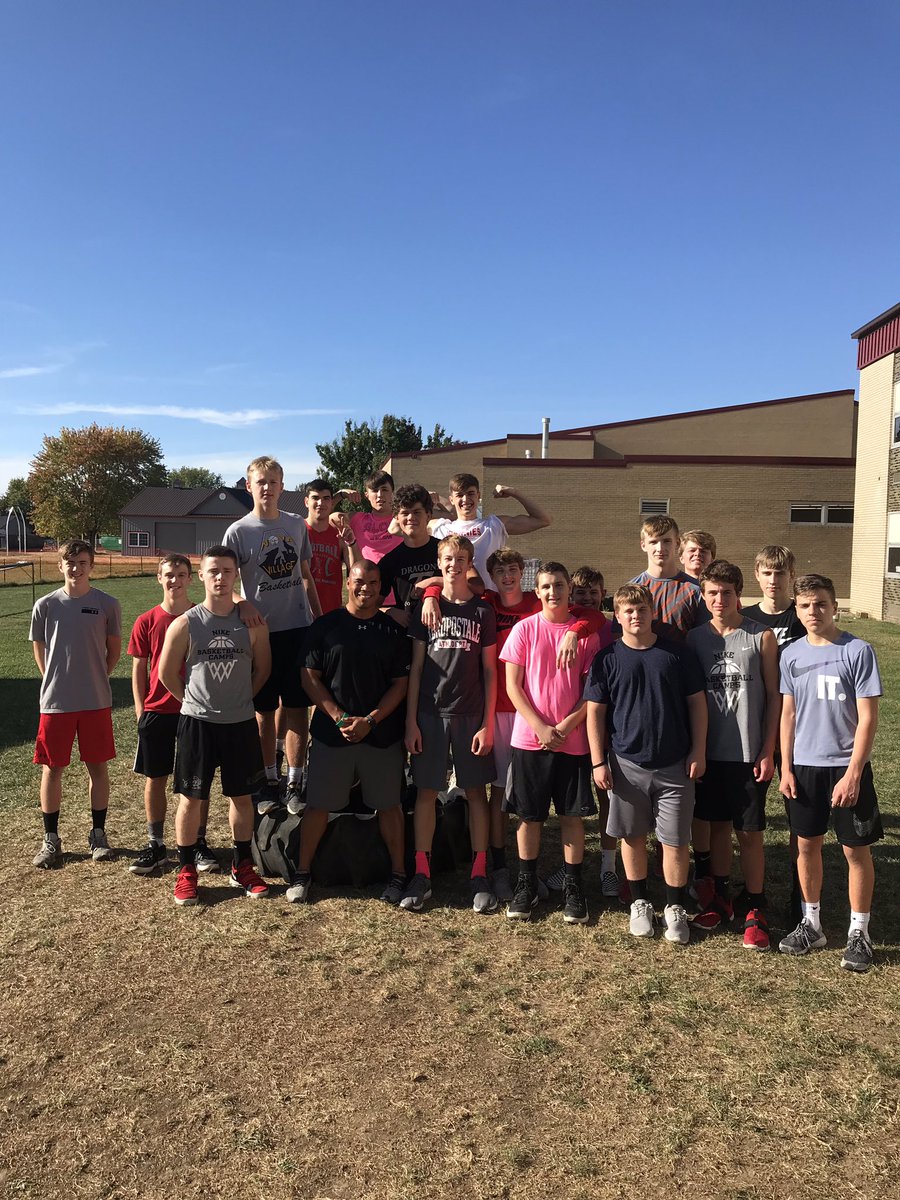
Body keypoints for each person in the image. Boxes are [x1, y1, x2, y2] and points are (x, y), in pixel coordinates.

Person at [585, 584, 707, 945]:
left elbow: (698, 705)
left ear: (652, 612)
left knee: (674, 841)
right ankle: (639, 902)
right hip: (626, 764)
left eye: (641, 610)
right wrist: (598, 762)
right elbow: (595, 713)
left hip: (675, 765)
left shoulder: (677, 654)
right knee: (632, 835)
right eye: (628, 611)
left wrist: (698, 750)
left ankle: (674, 907)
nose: (635, 616)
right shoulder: (607, 659)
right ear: (617, 617)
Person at [777, 574, 883, 972]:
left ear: (834, 606)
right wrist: (786, 767)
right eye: (805, 605)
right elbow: (787, 715)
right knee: (806, 846)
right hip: (804, 767)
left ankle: (860, 931)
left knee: (855, 849)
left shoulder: (857, 650)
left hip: (845, 765)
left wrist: (854, 772)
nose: (813, 612)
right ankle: (812, 923)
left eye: (820, 604)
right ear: (797, 610)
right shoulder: (791, 655)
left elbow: (868, 718)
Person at [290, 559, 411, 904]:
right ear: (348, 582)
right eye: (360, 582)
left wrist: (370, 720)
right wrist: (339, 718)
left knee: (389, 807)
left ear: (381, 588)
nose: (366, 589)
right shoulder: (326, 626)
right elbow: (308, 677)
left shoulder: (392, 630)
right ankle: (302, 874)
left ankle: (399, 874)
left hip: (381, 736)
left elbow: (400, 684)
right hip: (333, 735)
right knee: (317, 807)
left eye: (373, 583)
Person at [159, 546, 272, 906]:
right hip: (198, 724)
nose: (220, 577)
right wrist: (194, 702)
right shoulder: (185, 623)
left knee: (241, 797)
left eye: (227, 570)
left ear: (236, 574)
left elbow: (263, 670)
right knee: (191, 798)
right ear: (202, 576)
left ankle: (242, 864)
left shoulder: (253, 623)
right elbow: (164, 673)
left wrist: (239, 701)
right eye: (213, 571)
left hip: (239, 723)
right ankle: (187, 868)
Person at [686, 560, 779, 950]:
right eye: (711, 593)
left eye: (726, 592)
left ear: (739, 593)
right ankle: (720, 895)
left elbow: (775, 696)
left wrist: (768, 748)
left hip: (748, 751)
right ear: (703, 596)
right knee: (718, 825)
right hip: (711, 752)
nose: (719, 599)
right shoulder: (694, 639)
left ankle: (755, 906)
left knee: (751, 832)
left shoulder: (761, 636)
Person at [502, 562, 602, 924]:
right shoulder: (524, 630)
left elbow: (592, 691)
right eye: (545, 586)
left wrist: (564, 725)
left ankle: (574, 888)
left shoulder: (586, 636)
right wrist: (540, 728)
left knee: (571, 816)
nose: (552, 592)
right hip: (530, 741)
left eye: (558, 585)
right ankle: (525, 885)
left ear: (568, 588)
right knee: (529, 817)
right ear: (538, 590)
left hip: (571, 741)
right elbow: (513, 686)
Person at [402, 535, 497, 913]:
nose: (454, 564)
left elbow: (490, 672)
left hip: (471, 714)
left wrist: (487, 723)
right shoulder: (427, 609)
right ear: (438, 563)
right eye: (447, 558)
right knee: (426, 793)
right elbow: (416, 669)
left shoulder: (483, 613)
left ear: (469, 562)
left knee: (475, 792)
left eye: (460, 558)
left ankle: (479, 872)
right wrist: (410, 721)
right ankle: (422, 873)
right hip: (429, 713)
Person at [224, 456, 321, 816]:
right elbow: (223, 581)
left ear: (283, 487)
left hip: (298, 630)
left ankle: (296, 781)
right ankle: (268, 780)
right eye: (260, 481)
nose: (267, 487)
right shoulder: (238, 531)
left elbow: (306, 574)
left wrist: (319, 619)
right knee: (264, 713)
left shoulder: (297, 525)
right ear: (249, 486)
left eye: (273, 482)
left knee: (297, 710)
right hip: (259, 635)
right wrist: (241, 603)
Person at [30, 539, 122, 868]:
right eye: (70, 562)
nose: (76, 567)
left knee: (97, 767)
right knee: (52, 769)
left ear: (91, 566)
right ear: (60, 565)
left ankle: (98, 834)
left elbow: (113, 650)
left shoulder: (107, 604)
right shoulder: (45, 605)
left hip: (95, 700)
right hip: (56, 702)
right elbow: (40, 648)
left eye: (82, 562)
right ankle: (51, 839)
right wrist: (53, 678)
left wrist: (96, 676)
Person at [128, 554, 219, 875]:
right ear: (159, 578)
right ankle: (155, 843)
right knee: (156, 778)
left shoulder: (202, 618)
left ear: (190, 579)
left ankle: (197, 842)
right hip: (157, 711)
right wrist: (141, 710)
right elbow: (139, 669)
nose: (175, 580)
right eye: (169, 574)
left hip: (195, 712)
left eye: (181, 574)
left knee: (197, 781)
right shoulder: (146, 621)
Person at [542, 565, 619, 898]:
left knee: (608, 796)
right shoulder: (565, 621)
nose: (587, 598)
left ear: (603, 595)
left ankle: (608, 866)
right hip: (572, 724)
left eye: (593, 592)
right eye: (581, 592)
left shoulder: (608, 627)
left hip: (606, 722)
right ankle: (569, 865)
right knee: (570, 803)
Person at [742, 544, 806, 921]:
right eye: (767, 573)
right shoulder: (747, 617)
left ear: (791, 576)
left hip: (798, 731)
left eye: (780, 573)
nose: (773, 580)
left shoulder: (805, 617)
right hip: (755, 730)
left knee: (798, 819)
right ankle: (752, 893)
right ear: (758, 575)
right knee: (750, 819)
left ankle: (801, 897)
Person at [429, 474, 552, 589]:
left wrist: (515, 493)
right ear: (451, 499)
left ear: (479, 495)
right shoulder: (439, 527)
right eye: (460, 495)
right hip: (450, 602)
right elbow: (412, 522)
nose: (466, 499)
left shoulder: (493, 525)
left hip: (488, 601)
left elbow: (543, 520)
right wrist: (425, 500)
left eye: (471, 493)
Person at [628, 515, 706, 640]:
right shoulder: (630, 590)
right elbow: (621, 638)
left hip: (684, 659)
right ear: (643, 545)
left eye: (666, 541)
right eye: (653, 542)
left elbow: (705, 638)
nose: (660, 548)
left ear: (677, 543)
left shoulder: (695, 589)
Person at [304, 478, 361, 615]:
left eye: (326, 498)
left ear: (331, 503)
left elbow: (355, 569)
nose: (320, 503)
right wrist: (342, 493)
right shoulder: (297, 529)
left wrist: (351, 543)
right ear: (306, 502)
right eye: (315, 498)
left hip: (331, 611)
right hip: (301, 613)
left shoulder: (339, 535)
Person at [329, 470, 403, 564]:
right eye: (375, 490)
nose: (380, 495)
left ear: (392, 493)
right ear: (367, 495)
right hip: (367, 575)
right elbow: (325, 514)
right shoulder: (357, 519)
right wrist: (341, 494)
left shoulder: (402, 519)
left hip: (398, 575)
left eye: (384, 489)